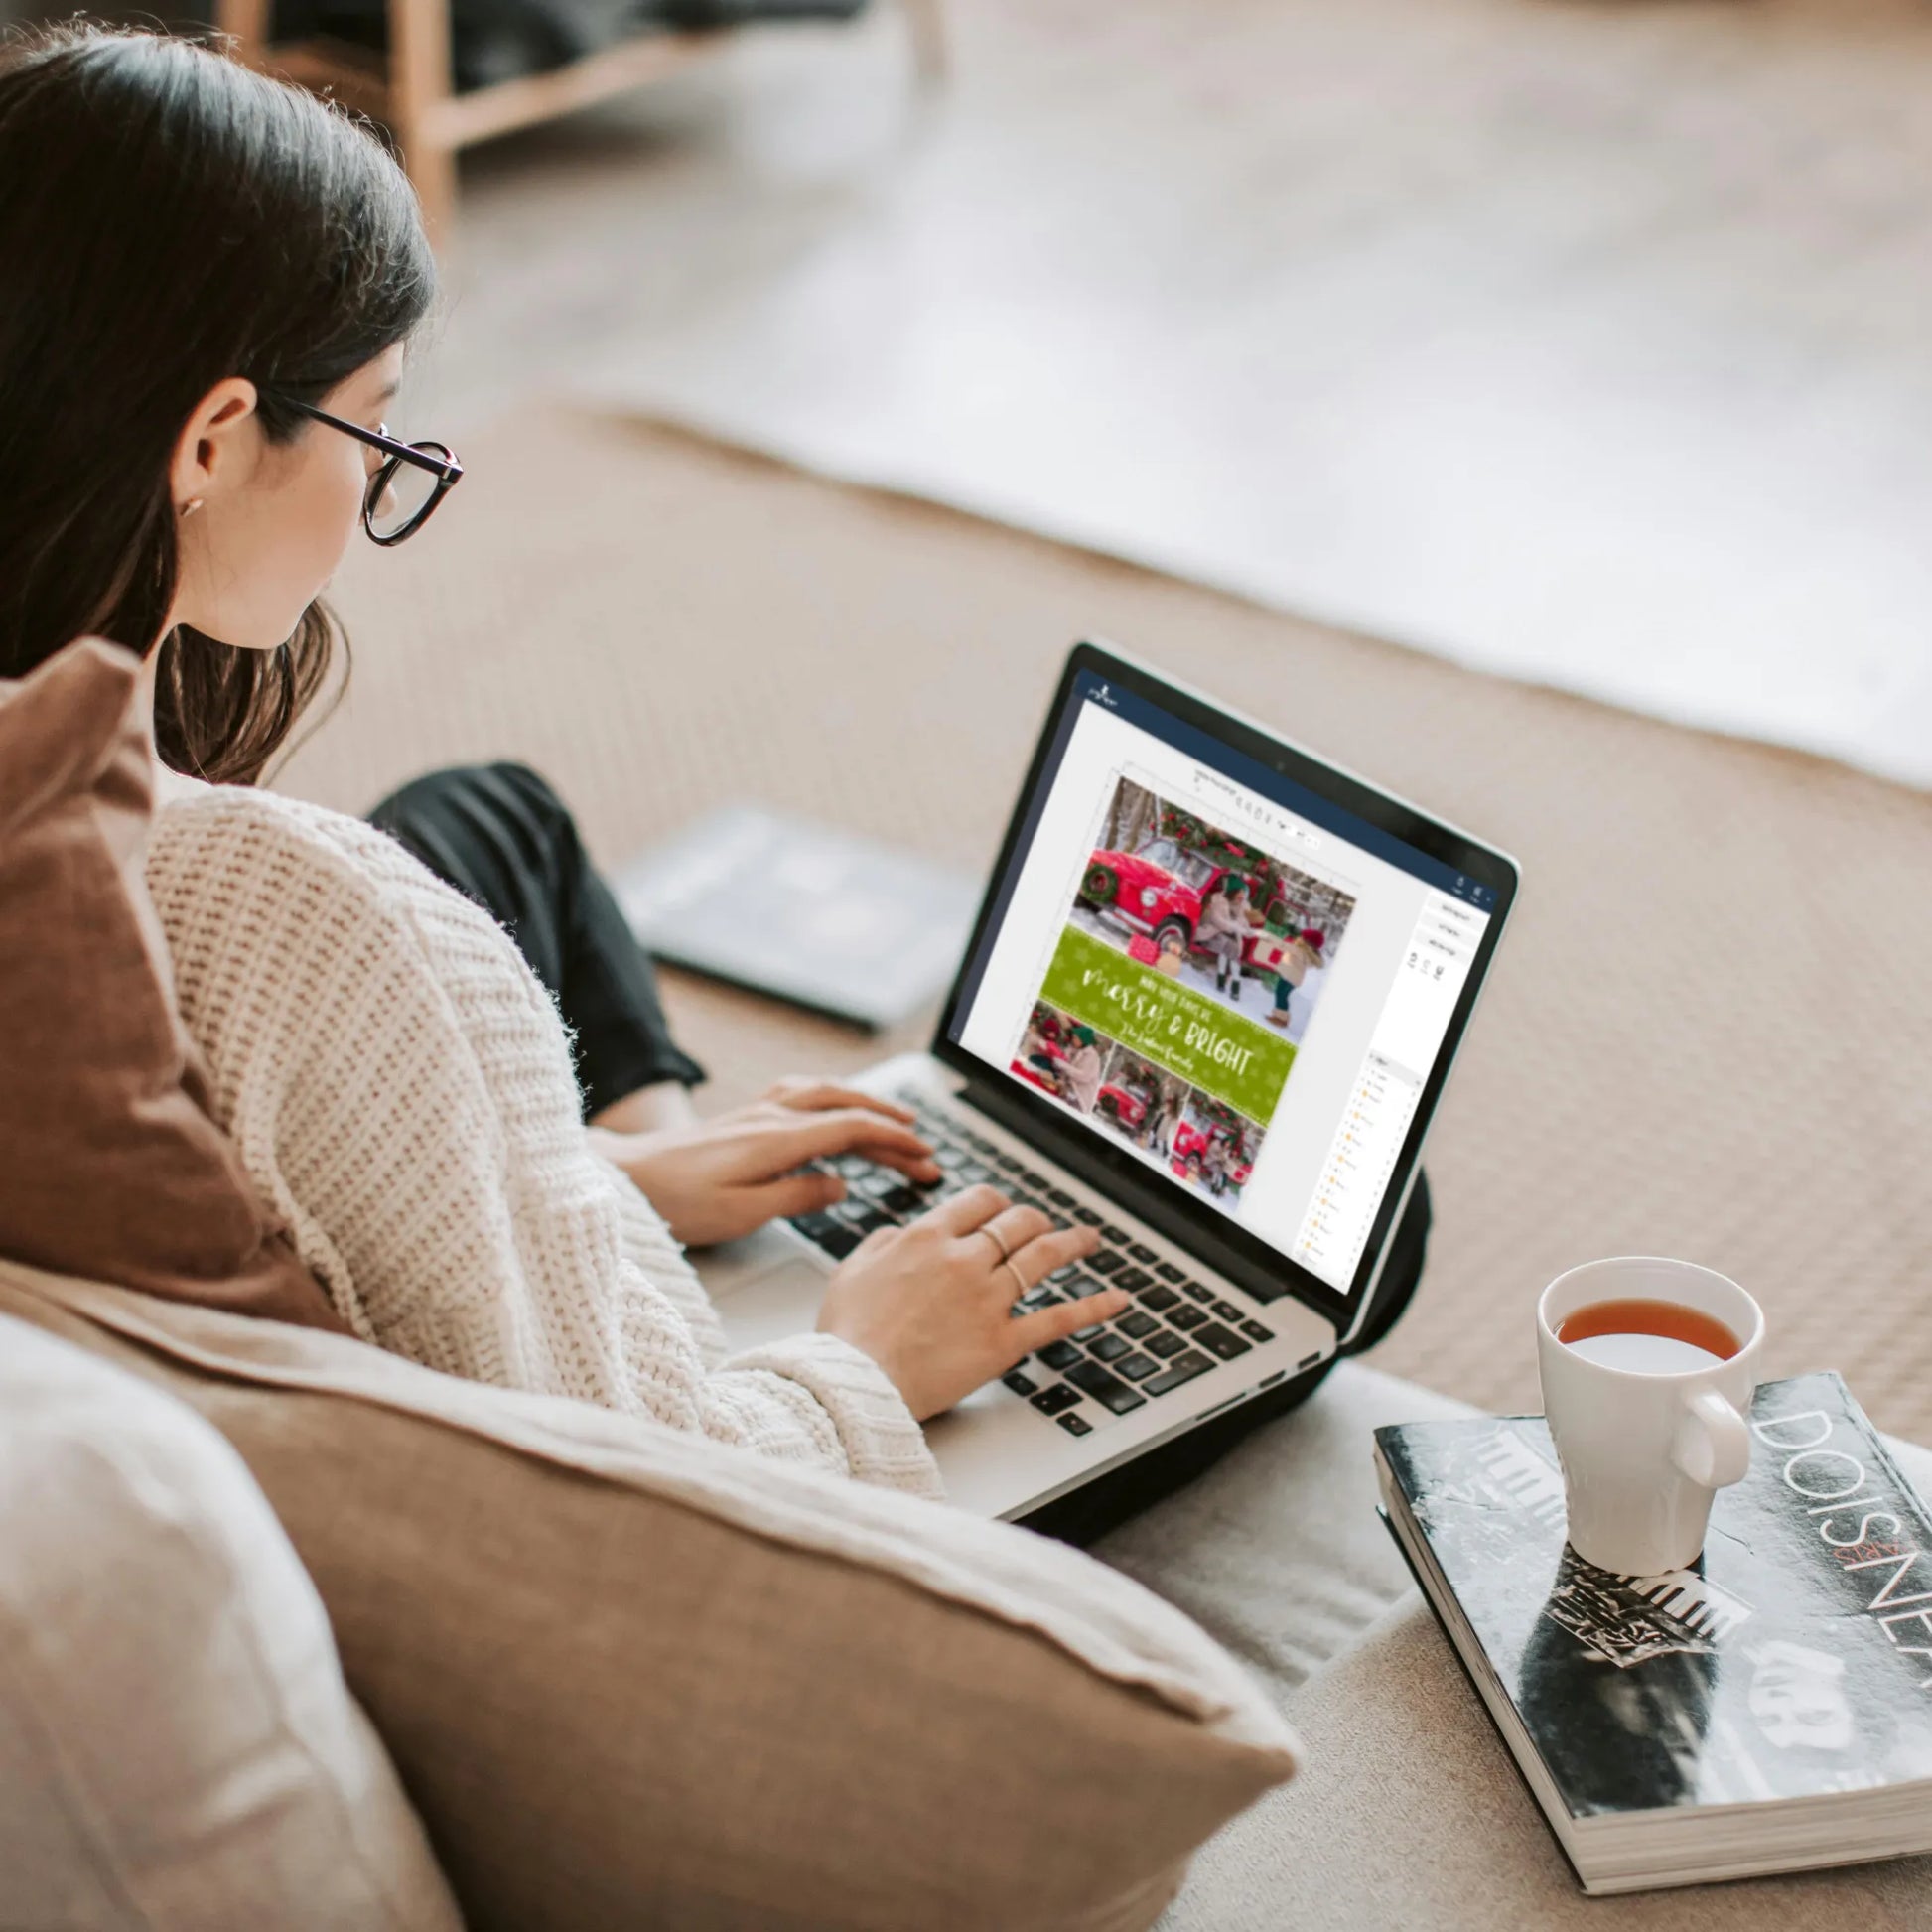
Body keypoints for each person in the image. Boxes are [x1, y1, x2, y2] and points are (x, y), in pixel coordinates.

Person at [0, 22, 1133, 1503]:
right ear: (212, 439)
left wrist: (600, 1187)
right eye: (376, 425)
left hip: (433, 1129)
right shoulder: (305, 915)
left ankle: (624, 1166)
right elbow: (634, 1476)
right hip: (667, 1427)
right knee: (1392, 1235)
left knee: (494, 815)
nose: (376, 487)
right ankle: (646, 1220)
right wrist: (870, 1355)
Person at [1196, 873, 1254, 1001]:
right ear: (1232, 891)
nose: (1242, 896)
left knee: (1229, 952)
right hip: (1216, 934)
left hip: (1232, 938)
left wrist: (1246, 929)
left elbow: (1245, 924)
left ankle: (1224, 983)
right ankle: (1233, 987)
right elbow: (1216, 919)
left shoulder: (1244, 906)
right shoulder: (1217, 899)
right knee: (1228, 951)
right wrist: (1233, 926)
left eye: (1243, 893)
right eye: (1240, 892)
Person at [1061, 1027, 1105, 1114]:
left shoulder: (1092, 1056)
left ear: (1083, 1039)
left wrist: (1064, 1066)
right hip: (1073, 1093)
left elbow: (1083, 1076)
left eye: (1075, 1038)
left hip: (1081, 1099)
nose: (1073, 1040)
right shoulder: (1079, 1051)